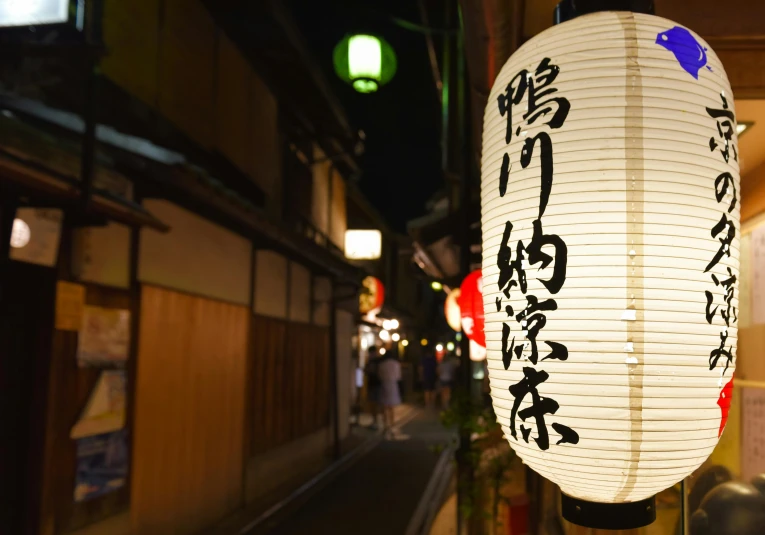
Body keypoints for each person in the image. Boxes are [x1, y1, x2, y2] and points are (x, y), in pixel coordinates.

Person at [377, 348, 402, 437]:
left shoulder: (382, 364)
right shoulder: (396, 364)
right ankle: (392, 424)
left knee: (385, 406)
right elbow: (398, 376)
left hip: (384, 384)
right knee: (392, 406)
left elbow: (379, 375)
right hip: (393, 385)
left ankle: (385, 424)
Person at [364, 348, 383, 430]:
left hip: (377, 385)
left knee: (376, 403)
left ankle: (377, 422)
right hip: (373, 384)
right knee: (373, 404)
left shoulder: (377, 361)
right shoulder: (371, 361)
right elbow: (366, 371)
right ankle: (375, 421)